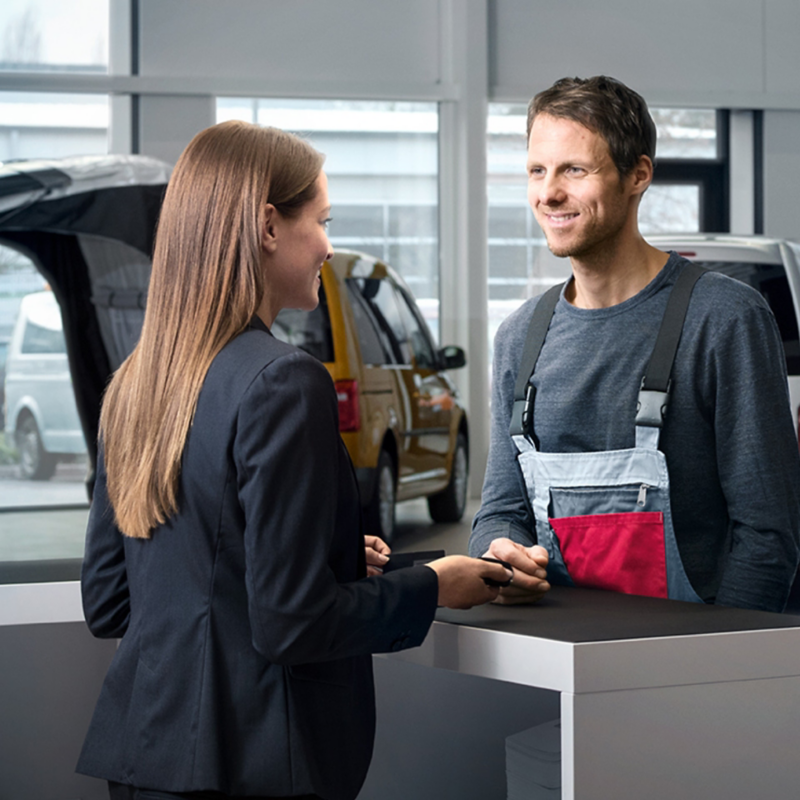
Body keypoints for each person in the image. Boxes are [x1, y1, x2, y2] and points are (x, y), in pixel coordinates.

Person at [77, 120, 512, 800]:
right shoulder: (283, 381)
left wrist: (334, 560)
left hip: (143, 757)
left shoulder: (136, 384)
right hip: (256, 764)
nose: (328, 247)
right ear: (268, 226)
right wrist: (435, 583)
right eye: (322, 220)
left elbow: (112, 601)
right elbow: (292, 623)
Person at [470, 75, 800, 612]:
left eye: (574, 169)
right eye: (537, 170)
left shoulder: (724, 318)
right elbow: (500, 509)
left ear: (637, 175)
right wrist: (498, 553)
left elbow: (768, 534)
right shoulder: (519, 337)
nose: (549, 192)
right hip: (558, 660)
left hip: (686, 659)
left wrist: (719, 664)